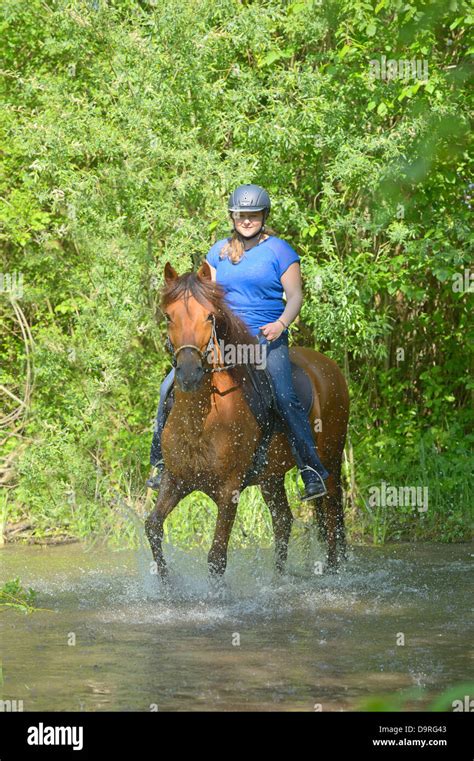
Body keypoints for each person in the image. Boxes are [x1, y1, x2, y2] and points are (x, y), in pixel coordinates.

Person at [146, 183, 329, 500]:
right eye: (242, 215)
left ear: (263, 216)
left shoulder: (280, 251)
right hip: (226, 342)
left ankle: (310, 469)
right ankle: (160, 463)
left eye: (254, 215)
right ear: (233, 217)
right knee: (167, 387)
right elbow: (206, 299)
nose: (247, 220)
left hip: (265, 339)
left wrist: (281, 324)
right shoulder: (218, 252)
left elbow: (296, 296)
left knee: (284, 396)